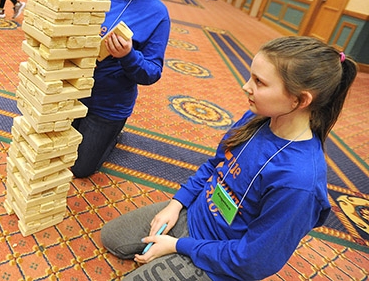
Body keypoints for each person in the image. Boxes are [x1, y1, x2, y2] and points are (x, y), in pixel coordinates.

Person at [101, 36, 358, 281]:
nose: (246, 86)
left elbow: (254, 259)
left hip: (220, 255)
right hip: (195, 215)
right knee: (111, 237)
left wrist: (179, 246)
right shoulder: (257, 118)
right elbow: (215, 165)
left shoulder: (298, 182)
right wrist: (176, 204)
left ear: (300, 99)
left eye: (259, 82)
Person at [71, 0, 170, 179]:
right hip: (70, 89)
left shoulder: (157, 13)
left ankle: (113, 135)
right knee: (51, 149)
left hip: (108, 105)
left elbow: (152, 72)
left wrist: (128, 56)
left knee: (79, 168)